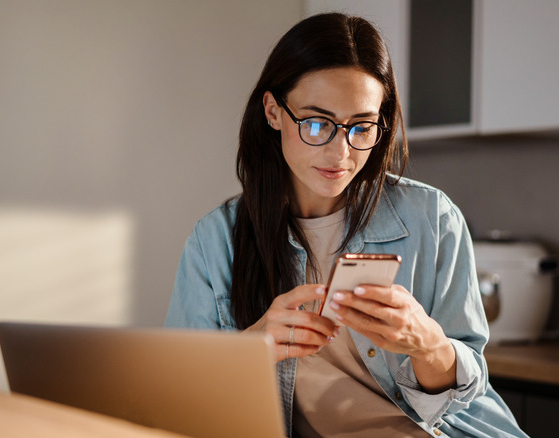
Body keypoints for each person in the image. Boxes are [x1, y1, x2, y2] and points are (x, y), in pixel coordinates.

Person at [165, 12, 527, 438]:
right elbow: (178, 396)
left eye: (361, 126)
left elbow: (464, 394)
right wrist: (251, 349)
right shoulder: (215, 242)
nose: (341, 153)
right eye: (317, 124)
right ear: (273, 112)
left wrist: (427, 343)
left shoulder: (433, 218)